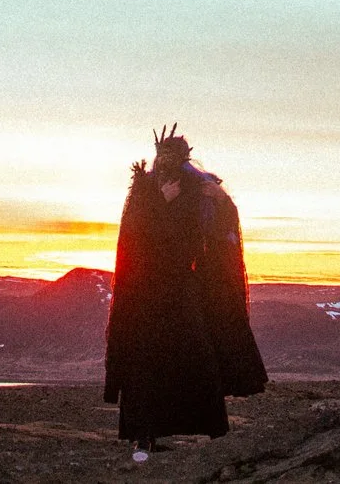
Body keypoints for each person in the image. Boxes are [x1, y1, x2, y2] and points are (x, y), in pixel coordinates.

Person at [102, 124, 268, 461]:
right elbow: (136, 237)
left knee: (195, 353)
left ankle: (207, 428)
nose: (165, 162)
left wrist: (224, 201)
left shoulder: (199, 188)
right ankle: (144, 436)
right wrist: (163, 203)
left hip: (184, 286)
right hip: (147, 290)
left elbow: (216, 230)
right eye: (161, 155)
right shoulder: (144, 190)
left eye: (173, 156)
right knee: (146, 359)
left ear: (184, 157)